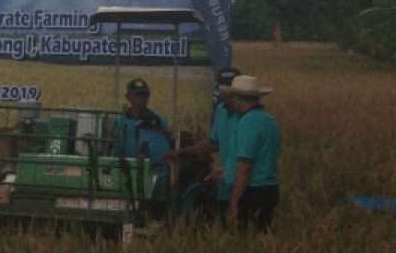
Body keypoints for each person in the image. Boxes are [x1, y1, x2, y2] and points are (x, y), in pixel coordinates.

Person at [164, 67, 241, 217]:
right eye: (224, 90)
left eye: (231, 91)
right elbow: (212, 143)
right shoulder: (221, 111)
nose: (227, 96)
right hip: (225, 181)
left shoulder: (249, 117)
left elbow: (249, 159)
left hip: (243, 182)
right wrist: (182, 152)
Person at [222, 75, 281, 232]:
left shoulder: (248, 122)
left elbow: (245, 165)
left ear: (238, 98)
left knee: (244, 239)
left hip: (252, 191)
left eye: (232, 97)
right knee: (261, 235)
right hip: (270, 188)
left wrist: (234, 203)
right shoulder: (269, 120)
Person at [113, 78, 172, 217]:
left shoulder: (157, 119)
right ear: (128, 97)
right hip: (127, 170)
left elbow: (169, 141)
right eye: (137, 95)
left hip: (153, 171)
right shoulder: (120, 121)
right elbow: (115, 147)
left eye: (145, 95)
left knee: (151, 209)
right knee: (128, 209)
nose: (142, 99)